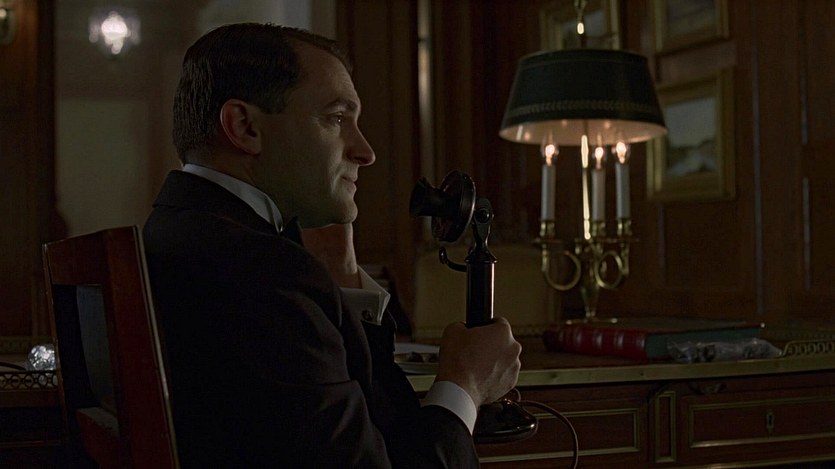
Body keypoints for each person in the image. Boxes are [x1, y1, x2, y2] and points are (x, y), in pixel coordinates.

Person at [143, 23, 522, 468]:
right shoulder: (263, 273)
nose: (366, 152)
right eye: (337, 118)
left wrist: (341, 279)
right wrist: (465, 386)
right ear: (244, 127)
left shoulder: (177, 231)